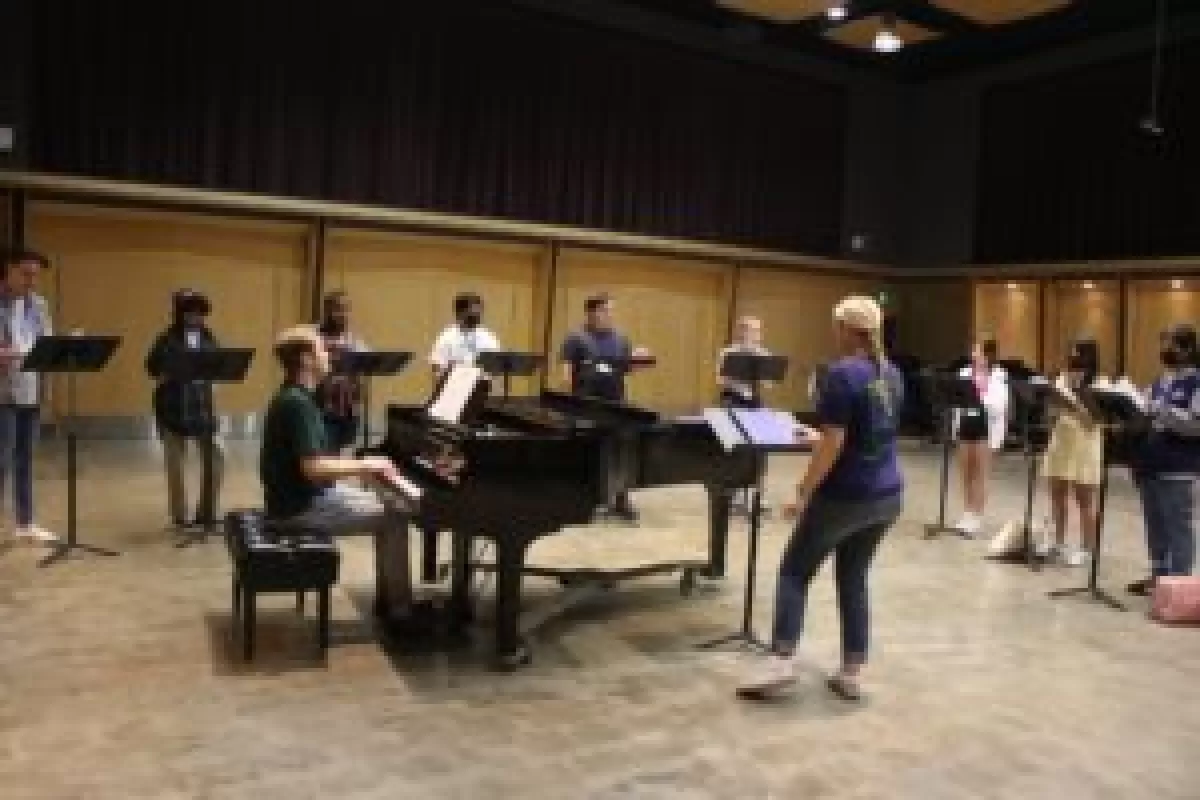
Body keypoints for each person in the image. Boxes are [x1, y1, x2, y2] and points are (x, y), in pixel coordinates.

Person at [738, 295, 903, 702]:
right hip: (887, 494)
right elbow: (868, 432)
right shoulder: (892, 372)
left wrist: (803, 492)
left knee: (794, 572)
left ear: (846, 329)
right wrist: (823, 437)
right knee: (854, 577)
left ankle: (781, 662)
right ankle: (851, 671)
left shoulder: (842, 373)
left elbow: (835, 442)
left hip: (846, 494)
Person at [260, 326, 415, 600]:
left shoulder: (295, 396)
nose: (328, 356)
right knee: (396, 516)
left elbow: (316, 461)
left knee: (389, 501)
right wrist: (367, 466)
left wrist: (362, 466)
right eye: (322, 349)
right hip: (298, 508)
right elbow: (313, 469)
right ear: (306, 358)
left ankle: (390, 598)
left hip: (300, 497)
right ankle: (399, 610)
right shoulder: (297, 404)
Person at [560, 293, 652, 520]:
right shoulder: (576, 338)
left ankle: (621, 499)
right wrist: (571, 402)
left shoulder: (621, 339)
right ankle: (585, 500)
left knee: (622, 452)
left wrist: (640, 361)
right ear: (592, 312)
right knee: (589, 453)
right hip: (587, 405)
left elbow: (627, 369)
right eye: (607, 310)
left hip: (616, 405)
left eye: (611, 311)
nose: (611, 315)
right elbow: (566, 374)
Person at [1126, 324, 1200, 596]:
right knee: (1154, 525)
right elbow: (1146, 417)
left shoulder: (1196, 383)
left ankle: (1180, 587)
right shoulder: (1159, 383)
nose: (1164, 351)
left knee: (1177, 528)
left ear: (1187, 349)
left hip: (1178, 468)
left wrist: (1165, 412)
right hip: (1151, 465)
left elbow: (1196, 426)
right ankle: (1158, 577)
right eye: (1163, 345)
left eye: (1171, 345)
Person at [146, 289, 224, 530]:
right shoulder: (166, 338)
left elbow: (218, 363)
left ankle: (207, 512)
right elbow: (151, 367)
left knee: (216, 457)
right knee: (176, 464)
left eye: (199, 312)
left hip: (203, 406)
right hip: (173, 406)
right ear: (179, 314)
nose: (195, 317)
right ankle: (180, 517)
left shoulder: (208, 336)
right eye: (190, 312)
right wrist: (169, 369)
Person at [0, 249, 57, 545]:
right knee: (2, 460)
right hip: (3, 392)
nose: (31, 281)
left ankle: (25, 522)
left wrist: (46, 392)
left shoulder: (39, 305)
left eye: (35, 276)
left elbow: (47, 345)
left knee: (26, 459)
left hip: (30, 390)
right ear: (8, 270)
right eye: (25, 274)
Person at [1040, 340, 1102, 567]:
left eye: (1078, 354)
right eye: (1072, 354)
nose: (1073, 358)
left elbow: (1093, 422)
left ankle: (1087, 548)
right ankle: (1058, 543)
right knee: (1057, 495)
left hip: (1084, 443)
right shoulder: (1061, 380)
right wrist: (1054, 407)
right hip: (1061, 441)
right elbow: (1049, 415)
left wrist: (1075, 406)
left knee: (1084, 499)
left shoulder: (1098, 385)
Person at [952, 339, 1009, 537]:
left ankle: (977, 515)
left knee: (980, 473)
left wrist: (979, 399)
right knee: (966, 472)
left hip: (986, 427)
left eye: (977, 351)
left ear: (988, 355)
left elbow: (999, 405)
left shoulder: (999, 375)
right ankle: (967, 512)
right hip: (966, 424)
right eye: (974, 350)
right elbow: (957, 400)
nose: (974, 354)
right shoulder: (965, 373)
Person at [315, 291, 368, 452]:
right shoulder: (313, 337)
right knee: (323, 453)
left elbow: (365, 365)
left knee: (339, 454)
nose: (343, 314)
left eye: (346, 309)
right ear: (327, 311)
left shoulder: (354, 340)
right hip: (322, 410)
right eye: (338, 309)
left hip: (348, 410)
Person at [429, 292, 501, 379]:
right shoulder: (446, 337)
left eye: (478, 314)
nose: (476, 318)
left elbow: (495, 368)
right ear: (459, 314)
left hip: (481, 383)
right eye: (471, 315)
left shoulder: (488, 337)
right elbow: (437, 367)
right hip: (453, 383)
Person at [717, 316, 771, 409]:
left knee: (763, 413)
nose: (754, 334)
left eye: (757, 331)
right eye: (750, 330)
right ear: (741, 331)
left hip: (753, 397)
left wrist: (763, 377)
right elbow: (719, 380)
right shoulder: (728, 352)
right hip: (731, 397)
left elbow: (768, 384)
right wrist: (737, 375)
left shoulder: (763, 353)